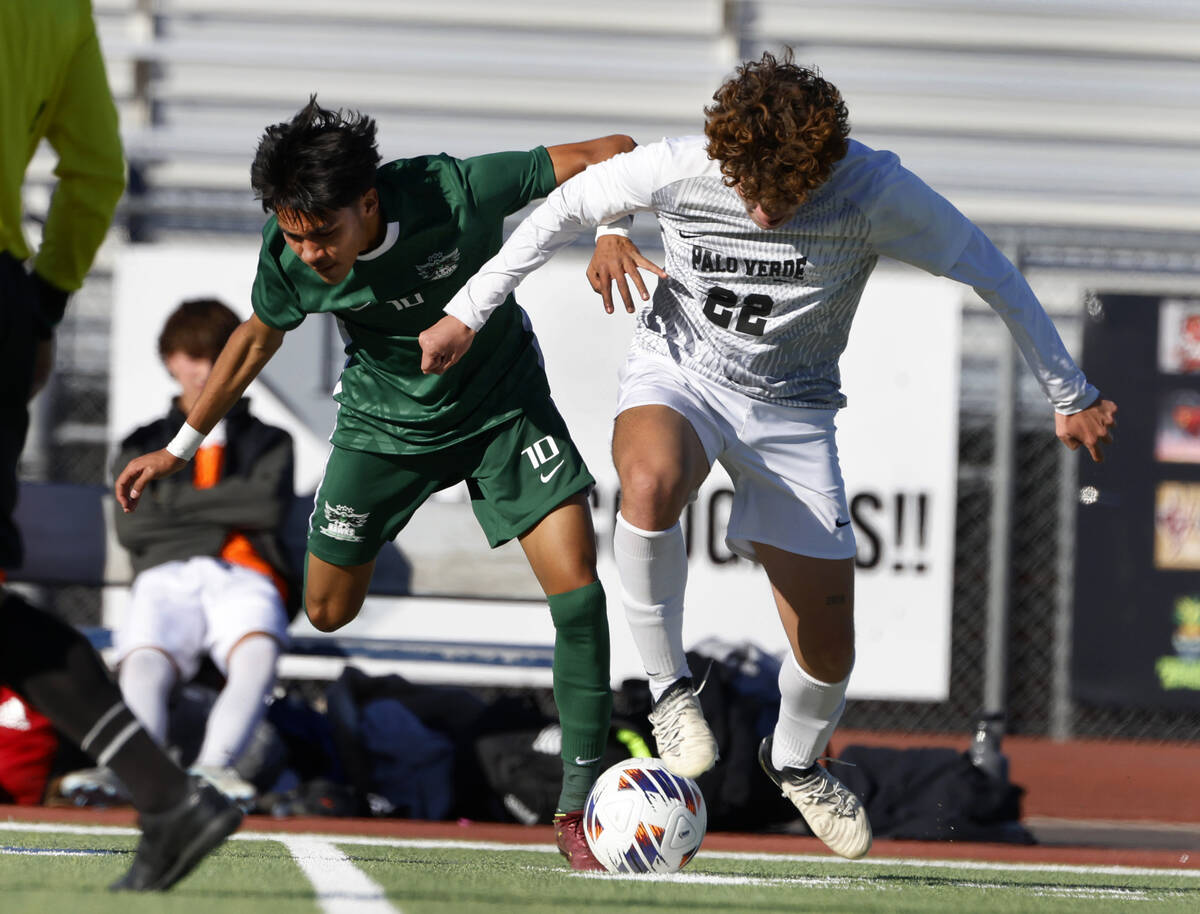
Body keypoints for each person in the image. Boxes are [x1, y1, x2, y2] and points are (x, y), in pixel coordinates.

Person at [424, 50, 1118, 860]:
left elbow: (994, 273)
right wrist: (466, 313)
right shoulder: (683, 166)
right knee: (646, 484)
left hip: (792, 412)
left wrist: (1068, 395)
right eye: (747, 187)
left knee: (828, 646)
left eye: (783, 193)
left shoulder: (877, 192)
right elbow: (559, 211)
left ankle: (794, 760)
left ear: (823, 168)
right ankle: (670, 692)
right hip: (679, 373)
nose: (759, 211)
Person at [114, 97, 636, 870]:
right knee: (325, 610)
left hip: (504, 410)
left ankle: (580, 804)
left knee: (580, 593)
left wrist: (613, 231)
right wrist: (183, 445)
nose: (310, 253)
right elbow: (256, 338)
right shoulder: (290, 253)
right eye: (294, 235)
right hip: (382, 430)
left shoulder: (454, 190)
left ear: (368, 202)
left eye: (323, 234)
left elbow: (613, 150)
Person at [0, 0, 241, 891]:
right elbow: (96, 170)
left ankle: (168, 795)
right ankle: (166, 795)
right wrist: (43, 303)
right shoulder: (58, 10)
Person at [64, 298, 295, 805]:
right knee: (142, 657)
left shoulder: (269, 440)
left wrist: (174, 501)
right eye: (191, 355)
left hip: (244, 571)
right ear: (170, 360)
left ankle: (214, 767)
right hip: (164, 574)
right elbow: (135, 527)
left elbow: (266, 508)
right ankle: (137, 771)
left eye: (216, 355)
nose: (204, 369)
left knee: (257, 652)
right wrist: (223, 515)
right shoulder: (141, 441)